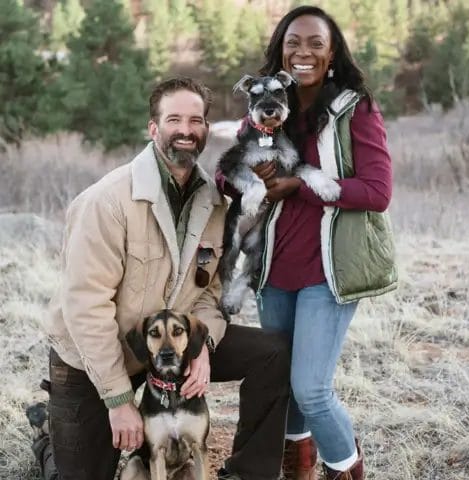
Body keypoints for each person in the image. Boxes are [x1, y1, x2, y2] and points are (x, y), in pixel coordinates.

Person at [26, 77, 290, 480]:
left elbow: (210, 292)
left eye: (196, 121)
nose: (186, 130)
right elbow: (86, 307)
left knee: (273, 352)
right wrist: (118, 399)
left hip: (172, 345)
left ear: (206, 129)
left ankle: (248, 473)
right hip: (97, 356)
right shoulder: (107, 200)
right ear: (153, 128)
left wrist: (203, 345)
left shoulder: (214, 203)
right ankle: (49, 438)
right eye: (174, 119)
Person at [216, 5, 396, 480]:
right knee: (284, 379)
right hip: (272, 269)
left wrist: (297, 186)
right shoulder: (268, 108)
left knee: (312, 390)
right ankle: (299, 468)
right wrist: (248, 182)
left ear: (332, 53)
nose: (304, 52)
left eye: (316, 43)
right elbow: (225, 174)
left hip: (328, 269)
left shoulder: (355, 109)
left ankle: (345, 467)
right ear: (281, 52)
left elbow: (378, 192)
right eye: (293, 42)